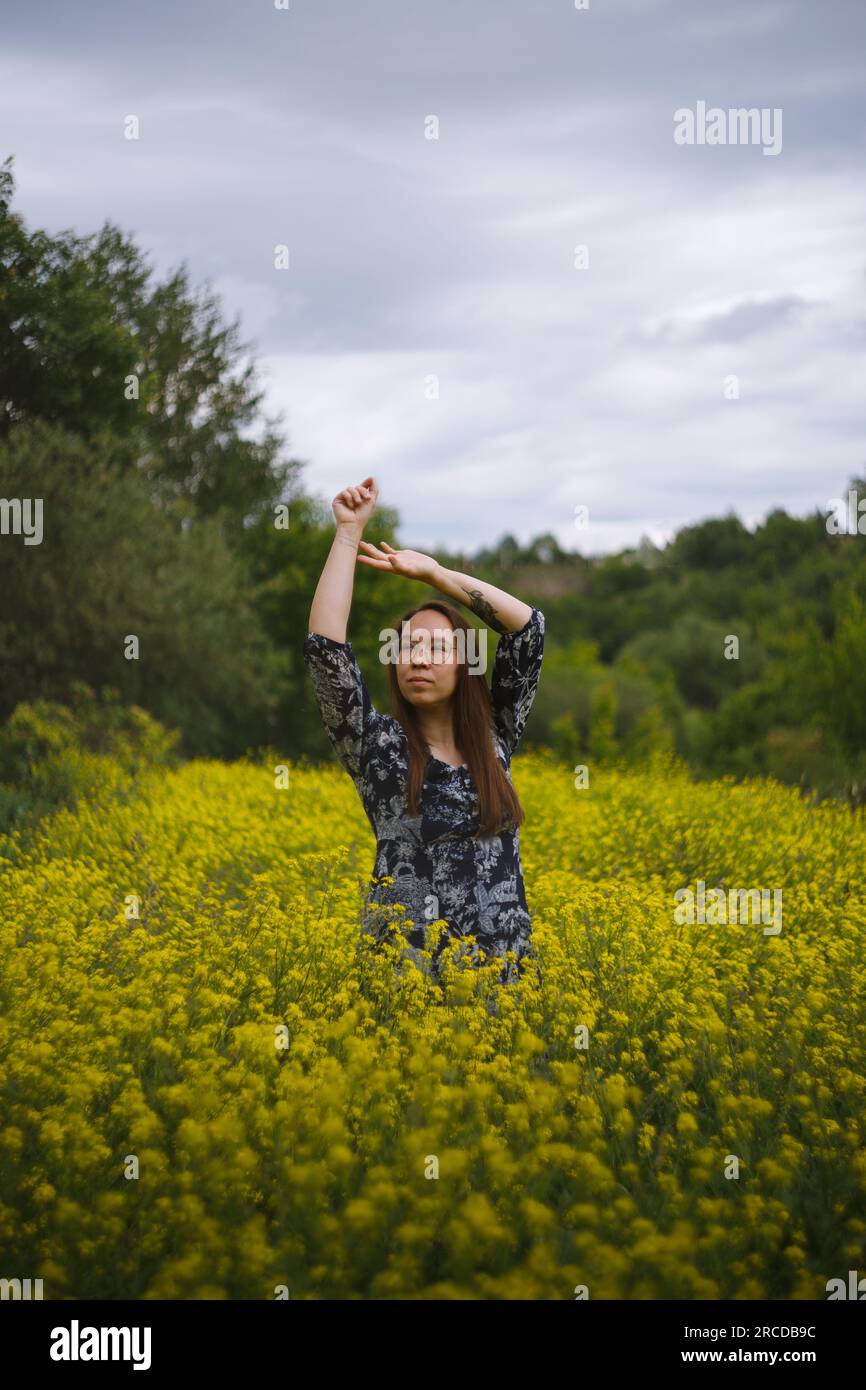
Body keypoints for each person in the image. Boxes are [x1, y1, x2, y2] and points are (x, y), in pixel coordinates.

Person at [303, 476, 545, 994]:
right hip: (405, 982)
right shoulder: (377, 747)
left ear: (466, 664)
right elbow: (326, 652)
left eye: (436, 648)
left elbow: (527, 629)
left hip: (503, 980)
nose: (417, 658)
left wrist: (435, 576)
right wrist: (347, 535)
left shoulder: (496, 735)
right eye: (407, 647)